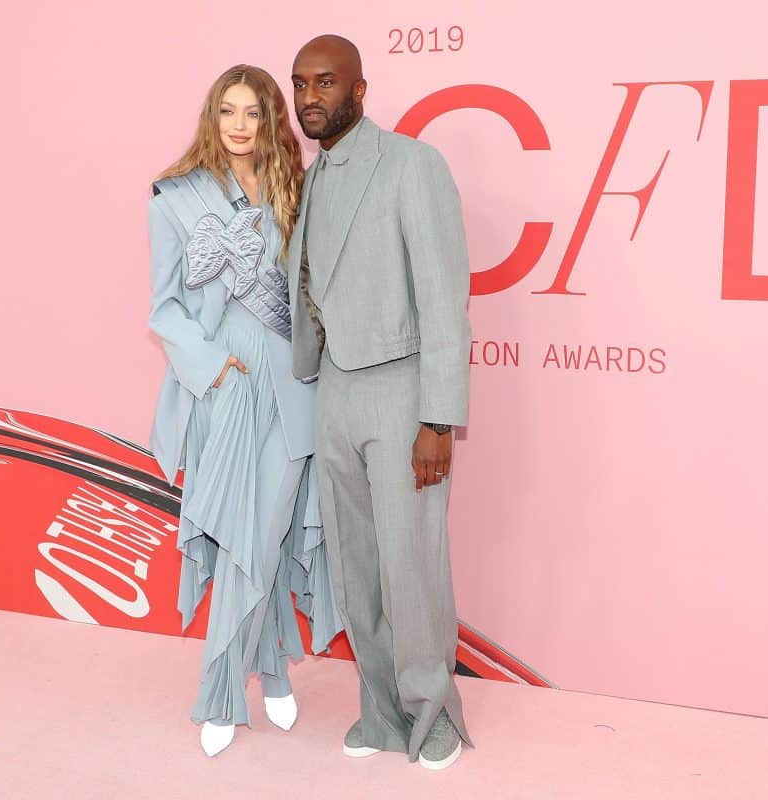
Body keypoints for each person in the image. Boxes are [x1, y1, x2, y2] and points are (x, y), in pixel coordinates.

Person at [287, 35, 473, 770]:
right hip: (335, 386)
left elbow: (442, 297)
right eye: (301, 83)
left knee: (412, 565)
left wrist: (437, 417)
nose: (310, 96)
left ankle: (434, 720)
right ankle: (381, 714)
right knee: (356, 567)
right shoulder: (312, 177)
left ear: (359, 90)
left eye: (325, 82)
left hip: (402, 392)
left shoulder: (411, 165)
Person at [147, 64, 341, 757]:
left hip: (292, 383)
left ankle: (265, 663)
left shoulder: (295, 187)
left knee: (272, 533)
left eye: (252, 112)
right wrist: (206, 365)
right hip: (227, 380)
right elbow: (164, 306)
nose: (238, 124)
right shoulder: (178, 197)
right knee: (241, 537)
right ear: (212, 116)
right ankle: (227, 686)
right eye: (227, 110)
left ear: (268, 120)